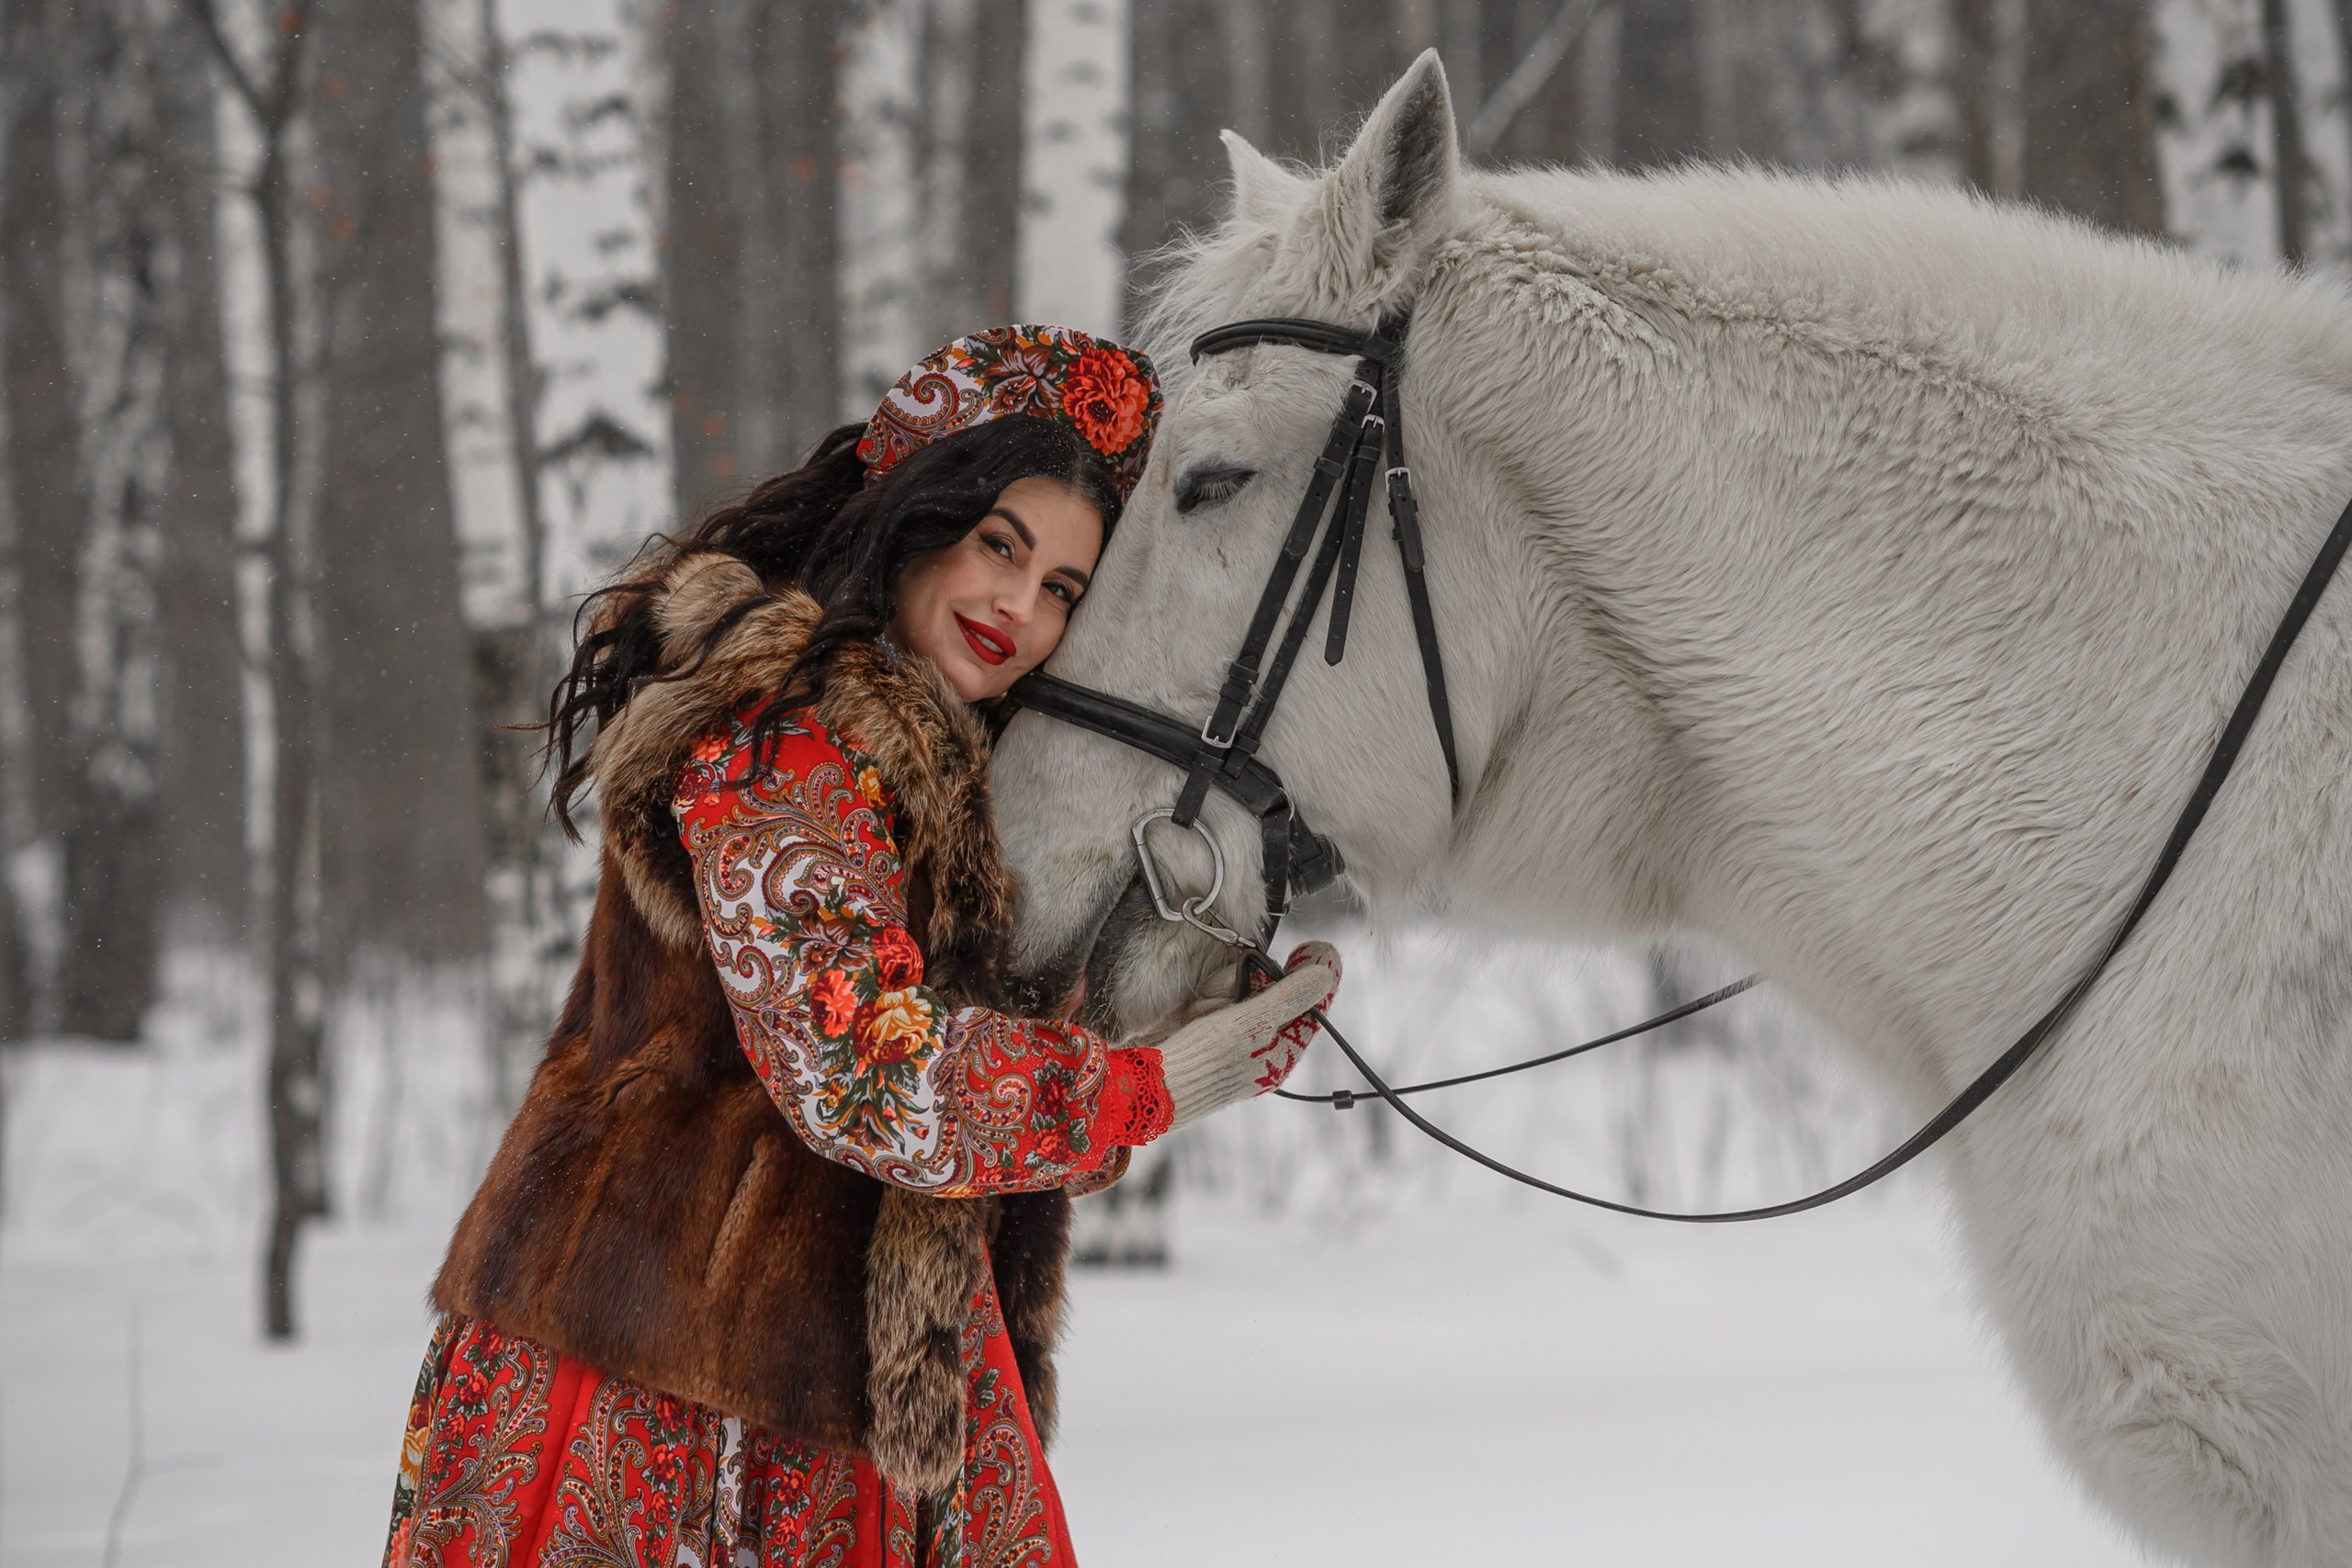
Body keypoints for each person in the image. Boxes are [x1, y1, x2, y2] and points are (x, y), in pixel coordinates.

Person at [381, 325, 1343, 1568]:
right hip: (655, 1376)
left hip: (851, 1399)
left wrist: (1183, 1030)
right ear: (913, 518)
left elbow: (958, 1117)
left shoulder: (946, 778)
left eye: (1064, 588)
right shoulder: (777, 732)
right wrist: (1157, 1085)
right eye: (1000, 545)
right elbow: (870, 1076)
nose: (1021, 608)